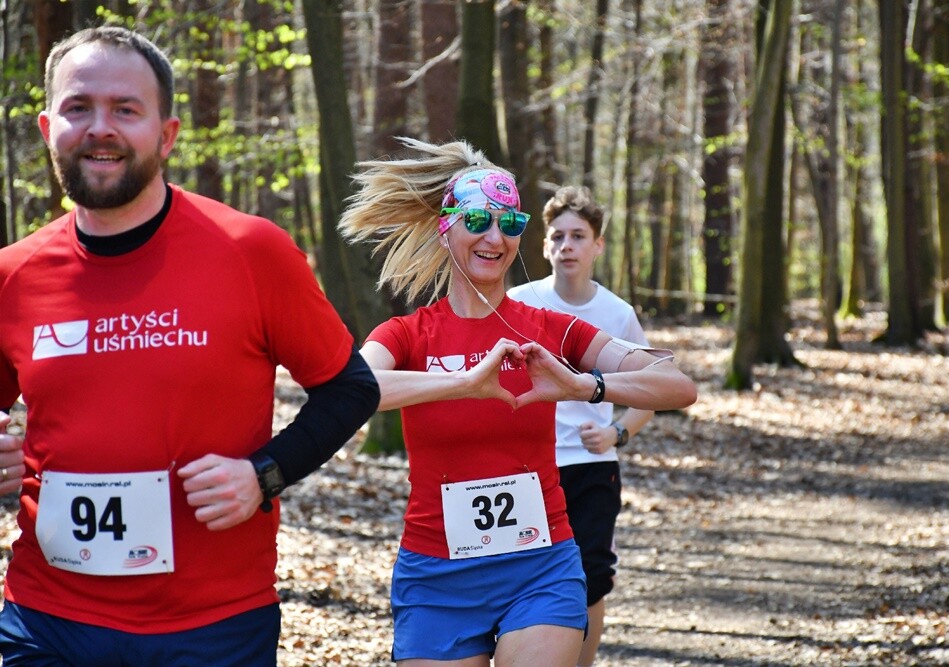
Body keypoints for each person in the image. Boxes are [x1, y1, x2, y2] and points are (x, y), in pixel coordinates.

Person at [0, 26, 380, 666]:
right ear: (46, 127)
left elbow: (350, 387)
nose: (101, 128)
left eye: (126, 109)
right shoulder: (13, 275)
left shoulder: (251, 251)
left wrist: (265, 475)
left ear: (167, 134)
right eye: (78, 107)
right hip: (47, 618)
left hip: (212, 626)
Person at [338, 137, 697, 666]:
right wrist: (463, 384)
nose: (493, 236)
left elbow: (676, 384)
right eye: (478, 219)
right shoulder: (407, 334)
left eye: (509, 223)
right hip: (437, 573)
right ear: (447, 228)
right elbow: (353, 391)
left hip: (541, 566)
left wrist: (584, 386)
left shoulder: (548, 329)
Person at [507, 185, 655, 667]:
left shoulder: (617, 314)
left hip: (591, 468)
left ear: (598, 246)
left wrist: (618, 433)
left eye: (578, 236)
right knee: (522, 578)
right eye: (557, 237)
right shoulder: (518, 303)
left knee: (589, 578)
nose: (566, 245)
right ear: (546, 246)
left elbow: (652, 389)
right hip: (527, 468)